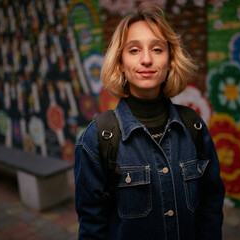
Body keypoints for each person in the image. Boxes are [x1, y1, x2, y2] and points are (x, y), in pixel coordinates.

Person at [74, 2, 225, 240]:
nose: (146, 60)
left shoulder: (193, 127)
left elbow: (211, 205)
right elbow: (92, 226)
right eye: (134, 50)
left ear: (170, 60)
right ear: (121, 64)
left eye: (157, 49)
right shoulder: (98, 138)